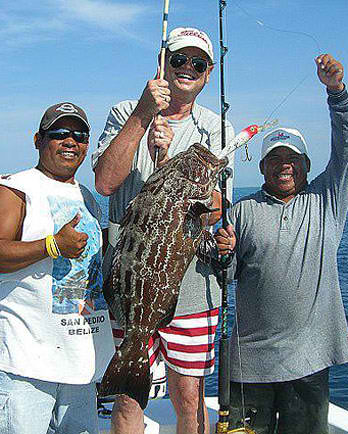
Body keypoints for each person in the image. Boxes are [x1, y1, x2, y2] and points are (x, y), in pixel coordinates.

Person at [93, 27, 235, 434]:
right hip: (132, 272)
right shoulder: (125, 111)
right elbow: (104, 183)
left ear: (208, 74)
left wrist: (176, 169)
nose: (187, 69)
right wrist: (141, 115)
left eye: (198, 63)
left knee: (190, 397)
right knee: (127, 396)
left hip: (189, 279)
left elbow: (216, 209)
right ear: (163, 63)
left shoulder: (216, 128)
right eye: (179, 60)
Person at [214, 53, 348, 434]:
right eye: (275, 158)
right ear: (261, 167)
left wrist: (337, 93)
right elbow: (224, 276)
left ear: (307, 164)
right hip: (248, 366)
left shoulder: (327, 200)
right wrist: (220, 253)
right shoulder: (242, 211)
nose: (284, 165)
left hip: (309, 363)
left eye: (292, 158)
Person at [0, 102, 114, 434]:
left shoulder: (88, 197)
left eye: (79, 135)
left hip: (82, 366)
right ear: (38, 140)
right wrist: (51, 246)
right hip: (27, 365)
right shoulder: (15, 189)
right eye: (60, 133)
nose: (70, 141)